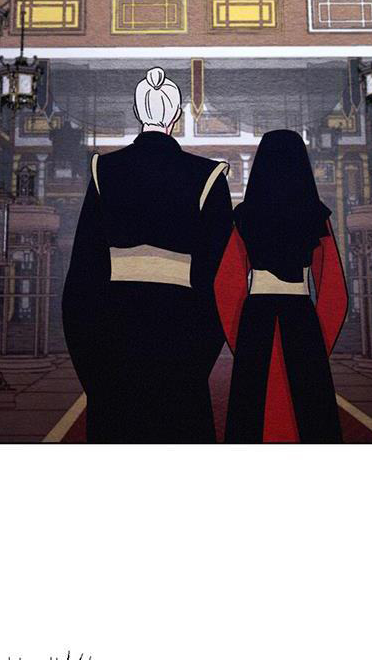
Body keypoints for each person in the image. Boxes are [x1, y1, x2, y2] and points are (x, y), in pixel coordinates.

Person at [62, 68, 233, 443]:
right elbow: (220, 283)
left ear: (138, 112)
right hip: (182, 343)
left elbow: (81, 285)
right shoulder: (208, 177)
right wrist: (196, 363)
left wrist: (93, 372)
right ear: (176, 117)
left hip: (114, 342)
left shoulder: (104, 171)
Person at [214, 129, 348, 443]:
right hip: (302, 319)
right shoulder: (317, 217)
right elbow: (334, 292)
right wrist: (318, 344)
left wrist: (240, 340)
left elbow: (225, 286)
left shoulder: (244, 217)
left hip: (255, 320)